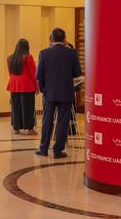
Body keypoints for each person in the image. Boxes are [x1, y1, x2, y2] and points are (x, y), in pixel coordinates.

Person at [36, 28, 81, 159]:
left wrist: (44, 89)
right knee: (62, 122)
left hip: (49, 93)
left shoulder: (44, 53)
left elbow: (39, 75)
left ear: (51, 39)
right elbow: (77, 73)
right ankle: (58, 151)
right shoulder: (72, 53)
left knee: (47, 121)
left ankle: (43, 148)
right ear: (65, 39)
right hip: (66, 93)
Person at [7, 38, 39, 135]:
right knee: (28, 107)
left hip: (14, 84)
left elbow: (10, 73)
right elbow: (34, 73)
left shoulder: (10, 58)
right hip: (27, 85)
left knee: (15, 107)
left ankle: (16, 128)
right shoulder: (28, 57)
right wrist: (37, 86)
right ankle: (29, 129)